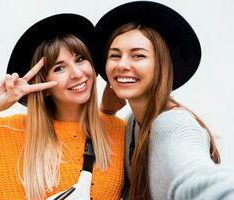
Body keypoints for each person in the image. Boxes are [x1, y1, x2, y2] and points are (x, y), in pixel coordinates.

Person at [0, 14, 125, 200]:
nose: (77, 73)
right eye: (59, 68)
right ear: (43, 84)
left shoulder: (117, 131)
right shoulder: (2, 138)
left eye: (80, 59)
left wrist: (107, 113)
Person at [96, 1, 234, 200]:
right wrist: (106, 112)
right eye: (115, 55)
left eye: (138, 55)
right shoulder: (130, 123)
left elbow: (195, 177)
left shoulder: (174, 124)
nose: (122, 64)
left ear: (161, 65)